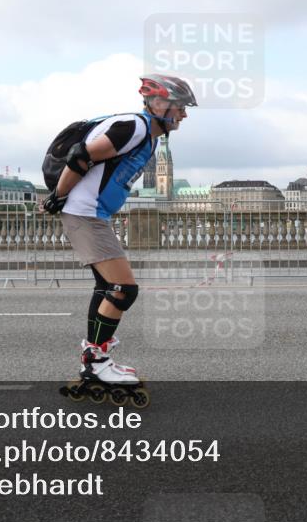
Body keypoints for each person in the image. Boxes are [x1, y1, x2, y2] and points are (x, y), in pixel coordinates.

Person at [45, 74, 196, 405]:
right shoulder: (135, 127)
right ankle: (97, 363)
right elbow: (80, 155)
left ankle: (94, 360)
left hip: (94, 214)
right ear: (159, 105)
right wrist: (58, 196)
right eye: (180, 108)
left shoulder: (150, 137)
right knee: (122, 289)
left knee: (106, 289)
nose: (184, 115)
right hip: (85, 213)